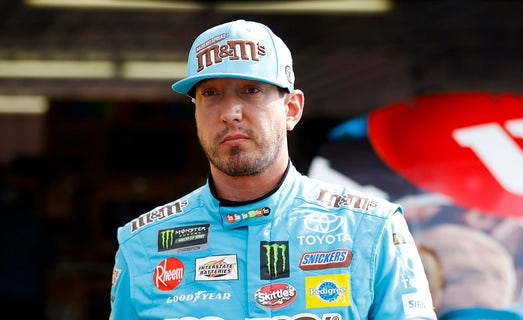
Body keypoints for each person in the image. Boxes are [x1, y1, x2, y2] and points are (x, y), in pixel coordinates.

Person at [109, 19, 438, 320]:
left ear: (291, 109)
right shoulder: (143, 245)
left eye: (251, 90)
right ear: (195, 113)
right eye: (211, 93)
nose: (230, 113)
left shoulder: (372, 229)